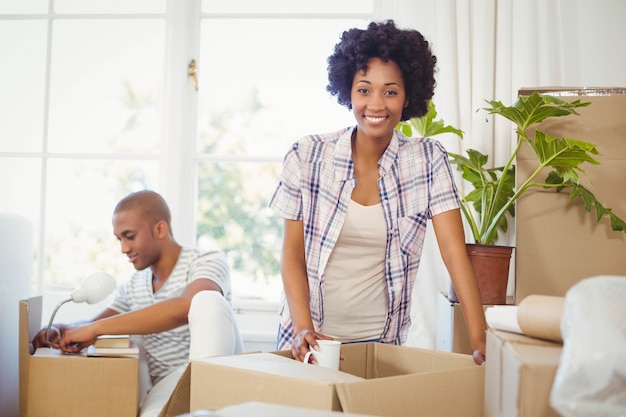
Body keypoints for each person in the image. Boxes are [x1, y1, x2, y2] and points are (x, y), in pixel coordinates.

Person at [269, 20, 487, 365]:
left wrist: (480, 341)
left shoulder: (428, 161)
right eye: (364, 89)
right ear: (348, 91)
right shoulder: (307, 156)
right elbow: (292, 255)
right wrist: (303, 330)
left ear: (407, 96)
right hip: (310, 339)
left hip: (380, 345)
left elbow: (454, 253)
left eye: (390, 91)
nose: (376, 104)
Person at [32, 189, 245, 416]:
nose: (124, 248)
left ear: (160, 229)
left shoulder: (206, 260)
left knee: (207, 300)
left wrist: (93, 329)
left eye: (130, 236)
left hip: (219, 379)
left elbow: (187, 305)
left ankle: (207, 407)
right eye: (119, 239)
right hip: (168, 386)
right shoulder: (134, 285)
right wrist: (61, 329)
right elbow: (99, 323)